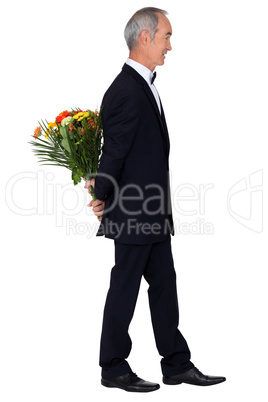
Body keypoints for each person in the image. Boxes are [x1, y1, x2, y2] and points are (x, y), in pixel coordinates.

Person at [85, 7, 226, 392]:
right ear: (144, 38)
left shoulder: (142, 84)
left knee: (164, 285)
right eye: (166, 36)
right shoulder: (126, 90)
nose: (170, 46)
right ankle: (113, 368)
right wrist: (101, 195)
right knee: (125, 288)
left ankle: (176, 363)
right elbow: (113, 154)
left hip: (151, 211)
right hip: (133, 212)